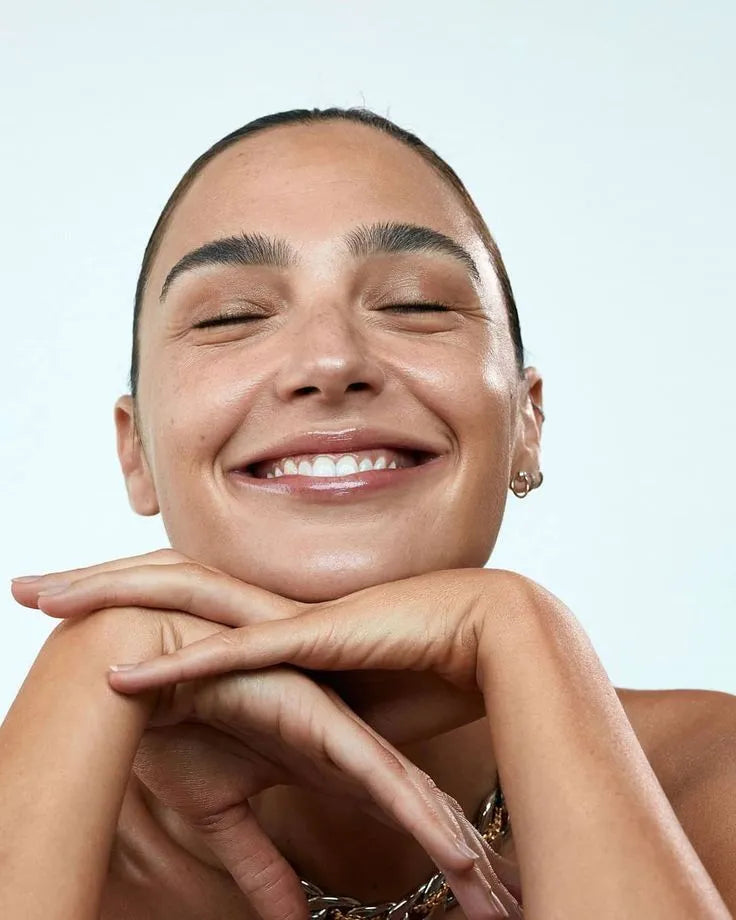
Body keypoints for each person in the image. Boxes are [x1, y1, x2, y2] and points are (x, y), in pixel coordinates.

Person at [3, 107, 735, 920]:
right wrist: (94, 660)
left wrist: (525, 631)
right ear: (135, 449)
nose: (330, 362)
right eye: (232, 316)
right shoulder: (64, 838)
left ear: (527, 422)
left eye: (416, 304)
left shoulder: (714, 782)